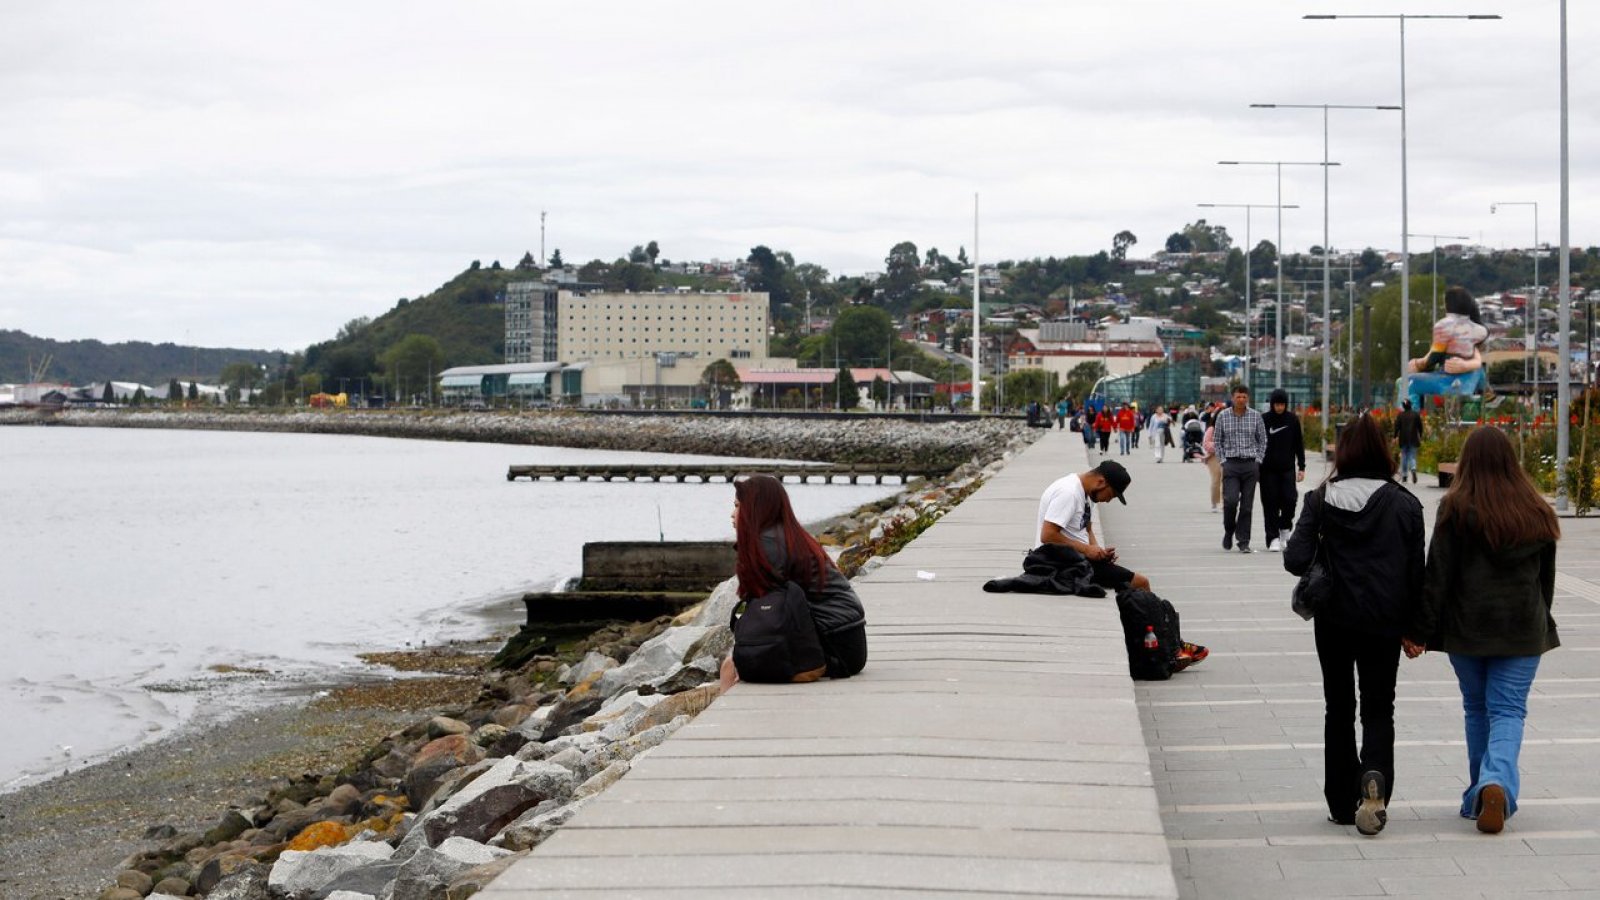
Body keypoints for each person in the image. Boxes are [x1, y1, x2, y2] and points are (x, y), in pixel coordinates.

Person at [1404, 426, 1561, 835]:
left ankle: (1482, 790)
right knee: (1508, 711)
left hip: (1468, 628)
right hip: (1522, 628)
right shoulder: (1537, 509)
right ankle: (1494, 785)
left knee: (1477, 710)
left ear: (1468, 463)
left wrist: (1419, 630)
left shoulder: (1455, 508)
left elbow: (1437, 575)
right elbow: (1547, 581)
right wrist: (1541, 619)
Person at [1283, 413, 1424, 836]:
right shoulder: (1405, 503)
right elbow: (1417, 574)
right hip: (1385, 621)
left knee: (1338, 707)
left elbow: (1294, 560)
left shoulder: (1320, 498)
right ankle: (1374, 776)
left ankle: (1342, 802)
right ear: (1384, 451)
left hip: (1334, 620)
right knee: (1380, 707)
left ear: (1343, 453)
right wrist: (1416, 630)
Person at [1036, 460, 1207, 667]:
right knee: (1141, 583)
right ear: (1101, 482)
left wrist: (1098, 551)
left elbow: (1086, 530)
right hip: (1060, 562)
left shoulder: (1084, 492)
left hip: (1079, 559)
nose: (1110, 501)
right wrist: (1088, 551)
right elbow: (1048, 535)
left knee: (1130, 588)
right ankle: (1170, 647)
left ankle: (1170, 642)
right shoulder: (1069, 493)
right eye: (1113, 495)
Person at [720, 474, 868, 691]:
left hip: (835, 648)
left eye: (737, 506)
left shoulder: (769, 545)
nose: (732, 514)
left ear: (755, 509)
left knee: (730, 666)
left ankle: (725, 720)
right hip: (847, 640)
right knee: (739, 661)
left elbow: (766, 613)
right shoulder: (786, 537)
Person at [1213, 384, 1267, 552]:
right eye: (1238, 396)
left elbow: (1262, 440)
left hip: (1250, 464)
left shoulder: (1256, 416)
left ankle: (1243, 541)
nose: (1241, 399)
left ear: (1248, 398)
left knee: (1247, 506)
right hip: (1231, 464)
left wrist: (1258, 459)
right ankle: (1229, 530)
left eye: (1244, 397)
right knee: (1230, 502)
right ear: (1232, 398)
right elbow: (1217, 440)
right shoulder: (1223, 416)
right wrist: (1223, 460)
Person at [1260, 388, 1307, 552]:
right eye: (1276, 404)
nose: (1279, 407)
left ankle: (1285, 528)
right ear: (1272, 404)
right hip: (1267, 470)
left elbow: (1299, 445)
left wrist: (1302, 466)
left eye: (1282, 404)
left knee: (1290, 500)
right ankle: (1272, 538)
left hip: (1287, 469)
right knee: (1270, 503)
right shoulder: (1264, 420)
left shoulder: (1292, 419)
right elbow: (1257, 443)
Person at [1394, 400, 1423, 484]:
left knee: (1404, 457)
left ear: (1403, 406)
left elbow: (1397, 427)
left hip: (1403, 439)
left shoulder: (1400, 415)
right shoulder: (1415, 415)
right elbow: (1420, 426)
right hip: (1413, 438)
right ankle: (1413, 468)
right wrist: (1420, 435)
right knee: (1412, 456)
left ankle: (1405, 476)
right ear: (1411, 405)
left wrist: (1395, 436)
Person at [1201, 416, 1222, 511]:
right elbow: (1206, 444)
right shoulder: (1211, 429)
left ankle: (1226, 502)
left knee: (1228, 480)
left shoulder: (1232, 427)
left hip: (1229, 456)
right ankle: (1214, 502)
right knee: (1216, 480)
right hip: (1214, 457)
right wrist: (1219, 445)